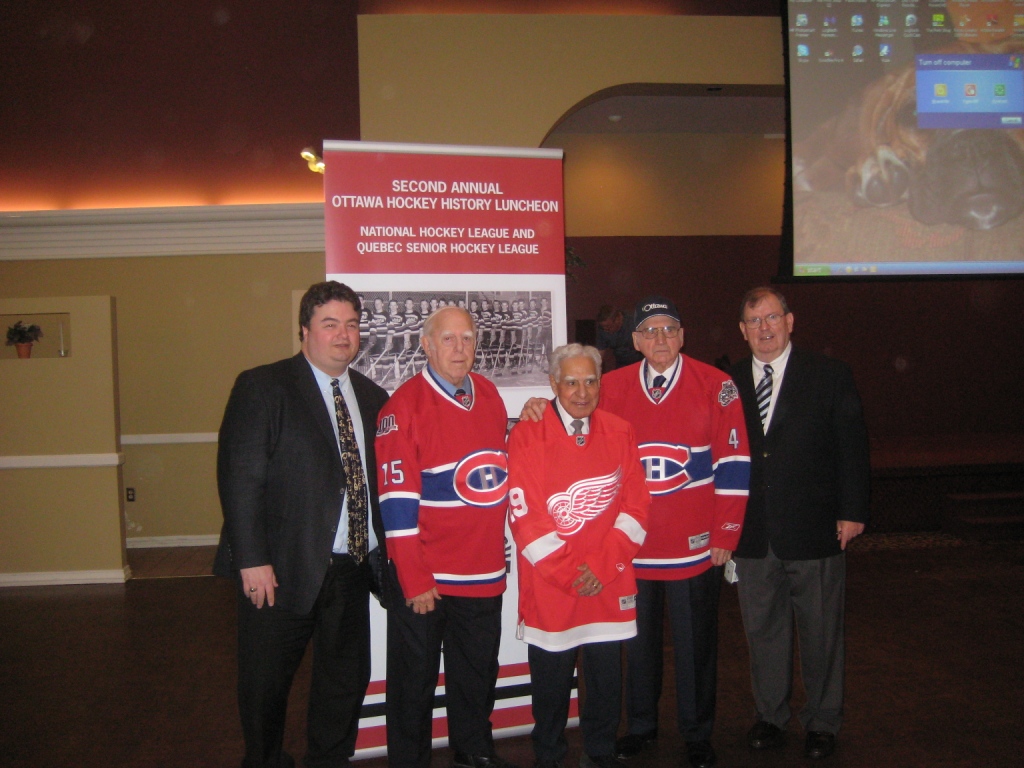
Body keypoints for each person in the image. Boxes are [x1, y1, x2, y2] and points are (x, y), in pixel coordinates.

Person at [214, 281, 390, 768]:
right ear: (304, 332)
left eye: (351, 325)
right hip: (281, 569)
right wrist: (252, 560)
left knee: (344, 680)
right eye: (330, 324)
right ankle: (265, 760)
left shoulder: (373, 397)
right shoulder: (264, 386)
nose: (343, 335)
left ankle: (329, 760)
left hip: (351, 566)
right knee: (266, 681)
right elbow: (240, 477)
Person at [601, 296, 750, 768]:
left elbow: (734, 463)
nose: (660, 339)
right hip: (635, 543)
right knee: (637, 644)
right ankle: (641, 726)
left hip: (694, 544)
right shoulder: (611, 386)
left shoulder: (716, 385)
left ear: (683, 336)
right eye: (651, 331)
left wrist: (726, 531)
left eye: (669, 330)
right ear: (636, 341)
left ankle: (696, 732)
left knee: (695, 644)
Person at [729, 286, 870, 761]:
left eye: (772, 318)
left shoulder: (829, 375)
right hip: (752, 534)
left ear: (790, 321)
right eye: (754, 322)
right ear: (743, 331)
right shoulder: (726, 384)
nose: (764, 329)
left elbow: (852, 447)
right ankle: (770, 716)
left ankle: (823, 721)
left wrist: (852, 511)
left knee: (821, 632)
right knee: (764, 633)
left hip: (816, 528)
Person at [375, 306, 517, 768]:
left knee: (476, 673)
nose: (460, 348)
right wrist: (414, 578)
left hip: (483, 571)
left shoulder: (491, 394)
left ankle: (474, 749)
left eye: (468, 338)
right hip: (427, 577)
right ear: (427, 344)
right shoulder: (403, 407)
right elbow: (396, 507)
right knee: (413, 681)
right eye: (449, 339)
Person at [508, 344, 650, 768]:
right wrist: (573, 574)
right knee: (550, 686)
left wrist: (602, 569)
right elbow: (526, 517)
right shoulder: (528, 434)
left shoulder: (620, 430)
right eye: (571, 381)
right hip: (552, 587)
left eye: (590, 380)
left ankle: (600, 751)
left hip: (607, 583)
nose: (582, 391)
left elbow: (637, 507)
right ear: (553, 384)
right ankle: (548, 756)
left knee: (606, 680)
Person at [595, 306, 642, 372]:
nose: (606, 330)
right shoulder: (602, 330)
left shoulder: (634, 322)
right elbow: (600, 354)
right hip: (621, 364)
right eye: (603, 327)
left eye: (609, 327)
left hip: (640, 362)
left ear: (618, 318)